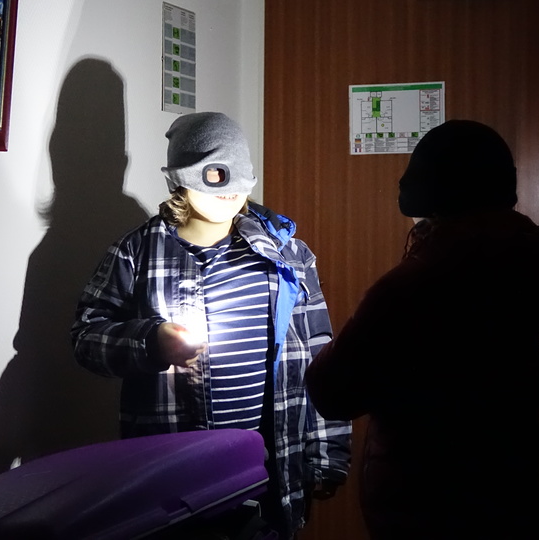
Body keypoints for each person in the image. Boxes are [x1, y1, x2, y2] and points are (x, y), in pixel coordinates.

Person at [72, 111, 350, 539]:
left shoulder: (286, 257)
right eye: (216, 174)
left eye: (240, 174)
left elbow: (318, 351)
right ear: (179, 178)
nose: (230, 189)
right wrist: (150, 342)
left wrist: (327, 454)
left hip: (268, 473)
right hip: (173, 478)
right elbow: (86, 337)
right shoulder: (136, 253)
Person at [305, 119, 539, 540]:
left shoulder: (415, 285)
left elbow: (332, 391)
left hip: (427, 504)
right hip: (511, 491)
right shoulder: (530, 257)